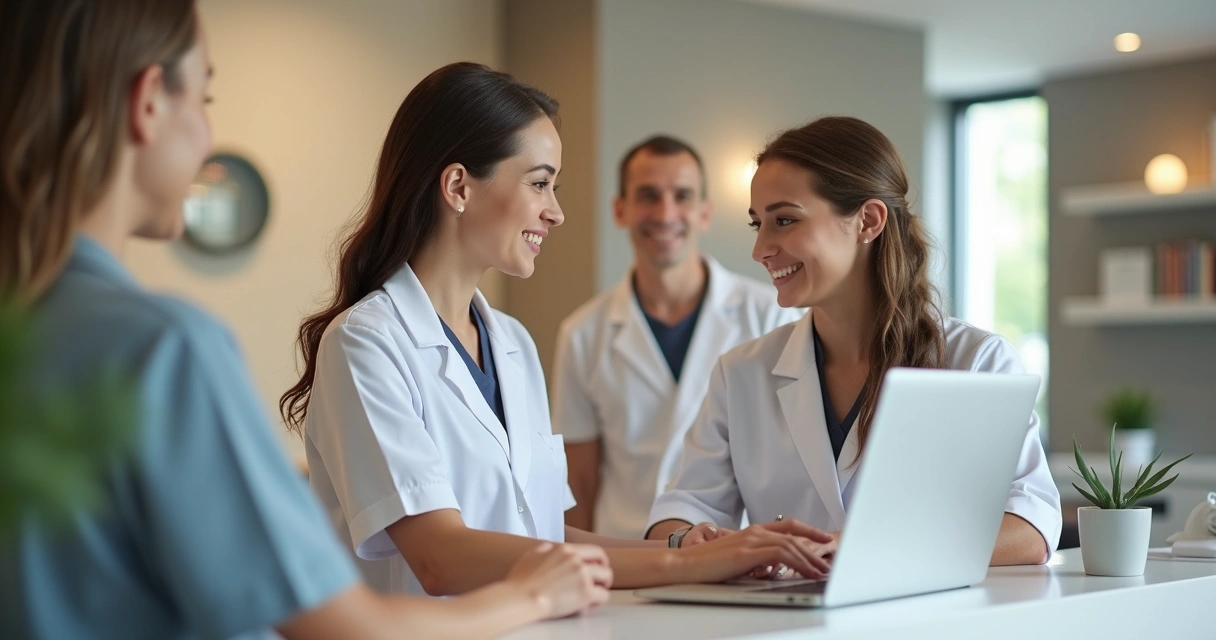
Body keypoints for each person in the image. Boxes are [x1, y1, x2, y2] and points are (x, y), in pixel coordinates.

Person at [0, 2, 612, 638]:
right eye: (205, 100)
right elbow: (344, 621)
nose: (208, 137)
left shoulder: (30, 329)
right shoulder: (164, 349)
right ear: (149, 101)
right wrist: (534, 594)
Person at [282, 62, 836, 598]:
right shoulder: (366, 343)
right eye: (540, 184)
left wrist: (700, 547)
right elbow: (439, 558)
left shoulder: (512, 343)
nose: (556, 212)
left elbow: (542, 535)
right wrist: (687, 564)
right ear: (458, 187)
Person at [645, 117, 1062, 567]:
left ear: (868, 220)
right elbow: (685, 506)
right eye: (757, 224)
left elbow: (1031, 527)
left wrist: (861, 549)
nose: (760, 249)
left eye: (784, 220)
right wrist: (687, 538)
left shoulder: (977, 362)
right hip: (787, 610)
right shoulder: (741, 373)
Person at [553, 135, 802, 539]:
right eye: (648, 196)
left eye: (682, 196)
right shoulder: (582, 334)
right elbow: (578, 484)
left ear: (705, 212)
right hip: (626, 554)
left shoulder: (773, 315)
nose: (665, 213)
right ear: (620, 210)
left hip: (734, 550)